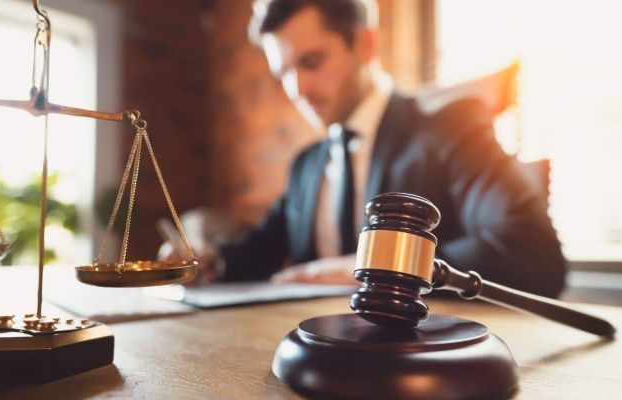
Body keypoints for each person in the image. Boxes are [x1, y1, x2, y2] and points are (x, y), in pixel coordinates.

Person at [159, 0, 566, 298]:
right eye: (284, 72)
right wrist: (211, 262)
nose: (298, 90)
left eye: (312, 61)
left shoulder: (448, 128)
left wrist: (376, 267)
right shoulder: (307, 166)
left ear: (365, 45)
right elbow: (261, 248)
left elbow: (533, 251)